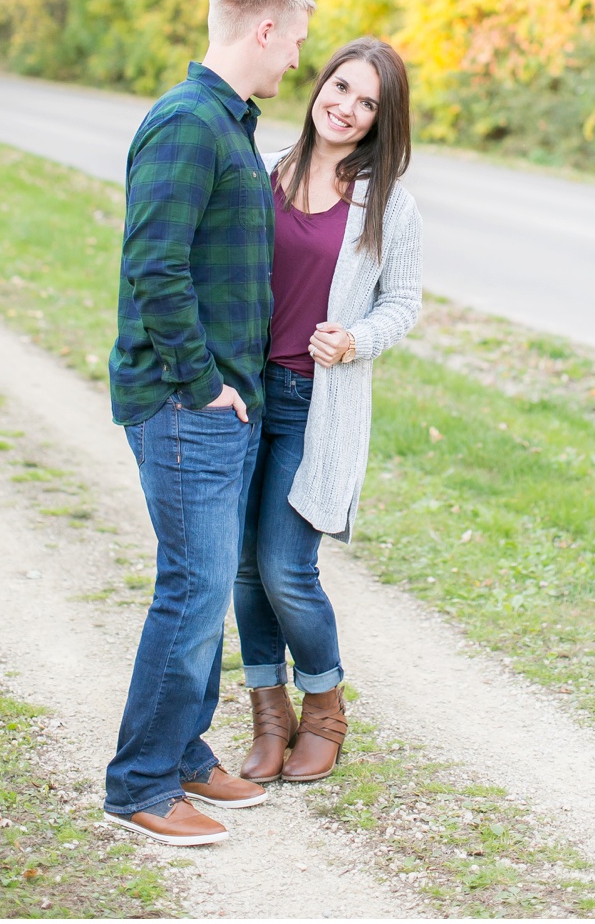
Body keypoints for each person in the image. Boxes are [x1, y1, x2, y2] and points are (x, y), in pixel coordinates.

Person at [102, 0, 317, 847]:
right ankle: (141, 784)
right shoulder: (188, 124)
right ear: (262, 29)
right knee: (191, 592)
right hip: (187, 402)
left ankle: (186, 754)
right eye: (296, 40)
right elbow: (155, 266)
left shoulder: (231, 128)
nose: (298, 60)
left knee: (200, 587)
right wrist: (200, 383)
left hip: (219, 404)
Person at [235, 38, 421, 784]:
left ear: (381, 119)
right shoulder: (268, 170)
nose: (345, 106)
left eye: (367, 101)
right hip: (246, 396)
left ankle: (325, 706)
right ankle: (267, 715)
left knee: (286, 566)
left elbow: (404, 303)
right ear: (320, 85)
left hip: (316, 402)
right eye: (340, 86)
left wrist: (357, 338)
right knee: (244, 569)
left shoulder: (387, 201)